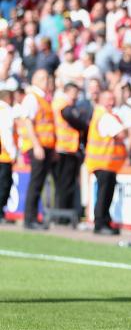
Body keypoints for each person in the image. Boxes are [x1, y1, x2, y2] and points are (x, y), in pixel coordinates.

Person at [85, 90, 129, 235]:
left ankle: (105, 221)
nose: (111, 102)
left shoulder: (102, 114)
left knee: (106, 194)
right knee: (104, 194)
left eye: (112, 99)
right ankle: (100, 223)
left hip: (106, 163)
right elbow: (121, 133)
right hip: (103, 162)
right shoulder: (105, 116)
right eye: (108, 99)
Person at [18, 68, 56, 230]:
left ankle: (34, 217)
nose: (46, 82)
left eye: (47, 79)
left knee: (39, 183)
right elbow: (27, 122)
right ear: (35, 80)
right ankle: (29, 218)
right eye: (43, 79)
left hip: (45, 146)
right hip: (37, 146)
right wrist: (36, 145)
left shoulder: (44, 99)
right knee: (35, 182)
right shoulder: (32, 98)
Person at [51, 82, 81, 220]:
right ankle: (62, 217)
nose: (76, 97)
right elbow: (73, 119)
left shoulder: (60, 104)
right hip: (64, 149)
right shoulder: (62, 105)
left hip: (66, 149)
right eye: (74, 93)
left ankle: (61, 215)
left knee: (63, 185)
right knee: (65, 185)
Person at [0, 89, 17, 221]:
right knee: (4, 184)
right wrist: (13, 153)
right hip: (4, 155)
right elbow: (6, 134)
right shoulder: (6, 111)